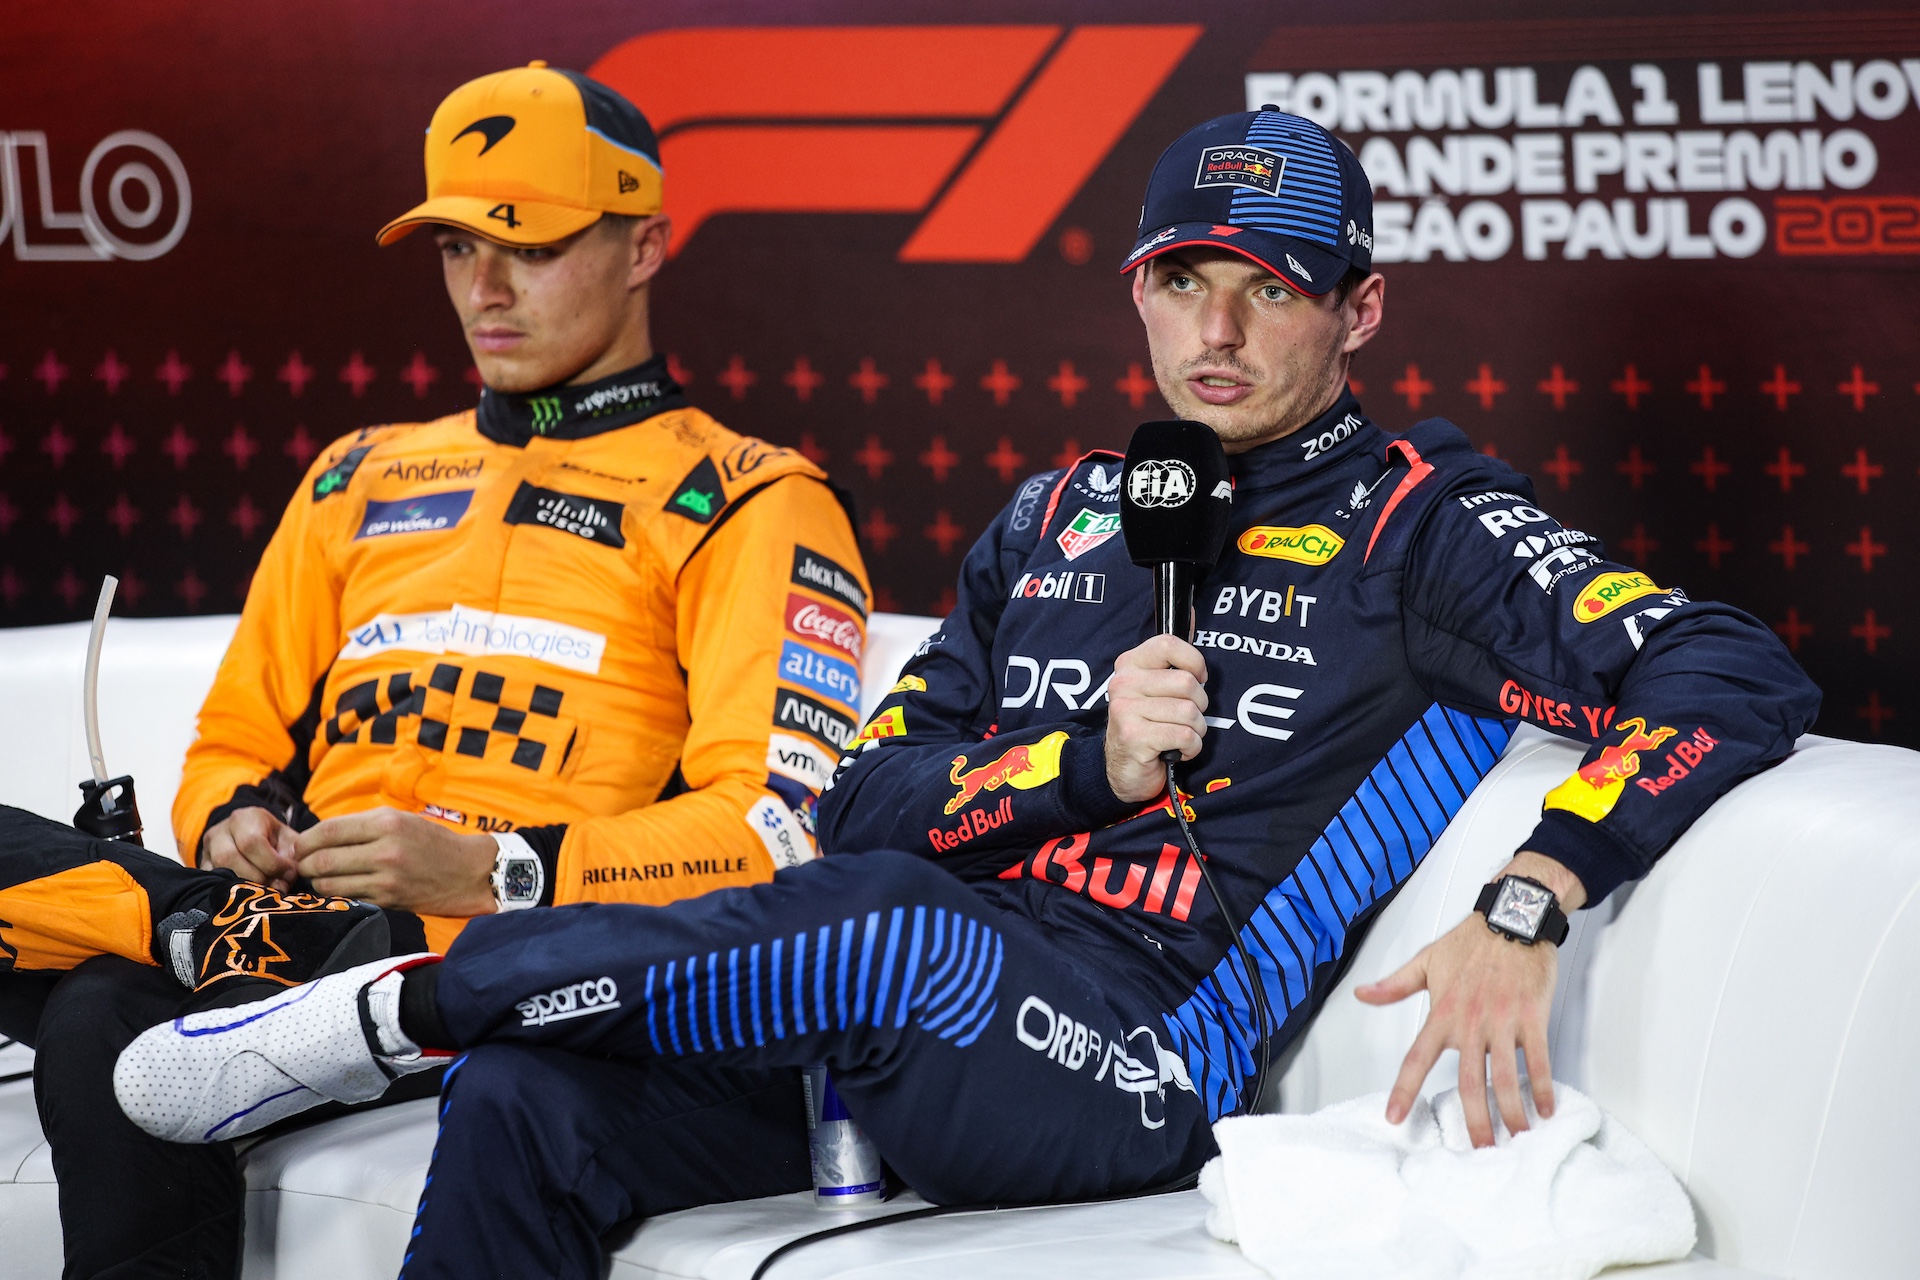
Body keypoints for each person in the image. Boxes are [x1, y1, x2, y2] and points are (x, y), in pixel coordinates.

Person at [114, 108, 1820, 1277]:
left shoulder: (1418, 521)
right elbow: (863, 794)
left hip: (1143, 1054)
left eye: (1270, 291)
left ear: (1358, 310)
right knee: (537, 1100)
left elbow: (1727, 668)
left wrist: (1535, 895)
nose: (1213, 331)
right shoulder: (1063, 511)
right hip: (886, 1009)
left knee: (886, 926)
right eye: (1179, 280)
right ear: (1138, 288)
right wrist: (1081, 766)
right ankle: (444, 1046)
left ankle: (375, 1024)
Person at [0, 63, 866, 1278]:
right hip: (303, 925)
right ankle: (209, 923)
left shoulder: (748, 500)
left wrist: (497, 869)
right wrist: (231, 819)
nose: (486, 290)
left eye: (532, 247)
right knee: (109, 991)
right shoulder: (359, 475)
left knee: (98, 1008)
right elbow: (233, 740)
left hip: (515, 964)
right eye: (457, 247)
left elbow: (778, 833)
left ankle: (203, 939)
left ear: (644, 246)